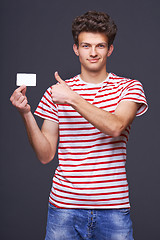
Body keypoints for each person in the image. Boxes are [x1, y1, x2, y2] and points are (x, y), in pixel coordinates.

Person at [10, 11, 148, 240]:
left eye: (100, 46)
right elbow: (45, 155)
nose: (93, 53)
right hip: (64, 208)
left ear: (110, 49)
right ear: (76, 48)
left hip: (113, 208)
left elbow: (115, 126)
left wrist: (73, 98)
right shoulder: (55, 94)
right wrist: (26, 114)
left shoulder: (129, 87)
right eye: (86, 45)